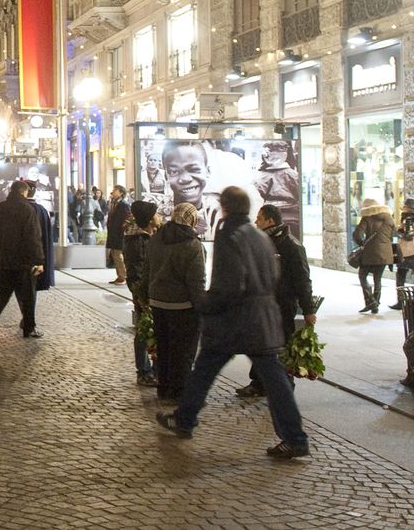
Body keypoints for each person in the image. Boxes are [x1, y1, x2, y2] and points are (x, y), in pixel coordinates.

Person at [157, 186, 310, 460]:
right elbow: (273, 275)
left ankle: (184, 420)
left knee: (204, 370)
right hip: (263, 318)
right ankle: (295, 437)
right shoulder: (259, 236)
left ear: (225, 207)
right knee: (275, 381)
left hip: (234, 320)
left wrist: (206, 304)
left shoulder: (229, 233)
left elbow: (230, 282)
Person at [238, 203, 317, 398]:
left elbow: (302, 279)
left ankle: (284, 387)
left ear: (270, 221)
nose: (256, 222)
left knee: (280, 346)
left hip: (282, 305)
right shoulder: (261, 242)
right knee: (259, 344)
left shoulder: (290, 245)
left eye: (259, 218)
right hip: (260, 305)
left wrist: (309, 309)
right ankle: (259, 383)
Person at [146, 201, 206, 403]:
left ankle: (163, 389)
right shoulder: (192, 244)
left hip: (158, 302)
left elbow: (149, 269)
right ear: (191, 219)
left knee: (164, 348)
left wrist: (146, 296)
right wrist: (201, 307)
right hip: (183, 306)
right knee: (183, 351)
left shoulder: (156, 239)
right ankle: (179, 392)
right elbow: (196, 281)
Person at [0, 180, 45, 340]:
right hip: (23, 262)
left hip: (3, 261)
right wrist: (39, 260)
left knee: (4, 293)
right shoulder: (27, 210)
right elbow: (33, 237)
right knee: (28, 296)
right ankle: (29, 328)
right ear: (25, 192)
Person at [124, 199, 159, 387]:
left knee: (149, 329)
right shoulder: (137, 240)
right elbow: (135, 271)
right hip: (144, 292)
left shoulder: (146, 236)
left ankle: (152, 369)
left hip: (150, 291)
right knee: (143, 330)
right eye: (155, 214)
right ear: (149, 219)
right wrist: (141, 296)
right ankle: (144, 371)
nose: (159, 216)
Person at [351, 199, 395, 313]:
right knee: (378, 279)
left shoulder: (367, 217)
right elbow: (392, 234)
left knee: (362, 276)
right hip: (386, 253)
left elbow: (357, 234)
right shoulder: (389, 217)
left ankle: (371, 302)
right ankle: (375, 303)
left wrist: (362, 244)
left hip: (370, 253)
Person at [106, 186, 131, 284]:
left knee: (118, 254)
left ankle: (123, 276)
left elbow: (124, 219)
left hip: (119, 234)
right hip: (113, 233)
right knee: (114, 254)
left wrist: (121, 231)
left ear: (121, 193)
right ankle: (120, 275)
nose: (112, 192)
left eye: (115, 190)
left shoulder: (123, 204)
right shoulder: (114, 202)